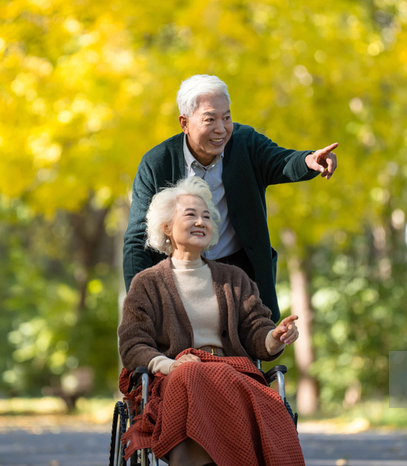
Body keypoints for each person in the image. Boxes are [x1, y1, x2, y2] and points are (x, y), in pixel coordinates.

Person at [118, 177, 304, 466]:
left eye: (206, 216)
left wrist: (274, 337)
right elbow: (132, 345)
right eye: (190, 214)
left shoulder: (234, 279)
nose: (201, 222)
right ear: (166, 227)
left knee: (198, 375)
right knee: (189, 374)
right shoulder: (147, 283)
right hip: (176, 378)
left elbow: (256, 328)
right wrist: (170, 365)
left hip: (232, 374)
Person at [123, 74, 338, 322]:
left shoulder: (245, 143)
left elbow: (281, 161)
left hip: (239, 277)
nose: (221, 129)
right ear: (184, 123)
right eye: (210, 119)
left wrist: (309, 160)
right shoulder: (157, 163)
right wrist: (138, 304)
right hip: (179, 278)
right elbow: (137, 240)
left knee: (248, 350)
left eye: (227, 117)